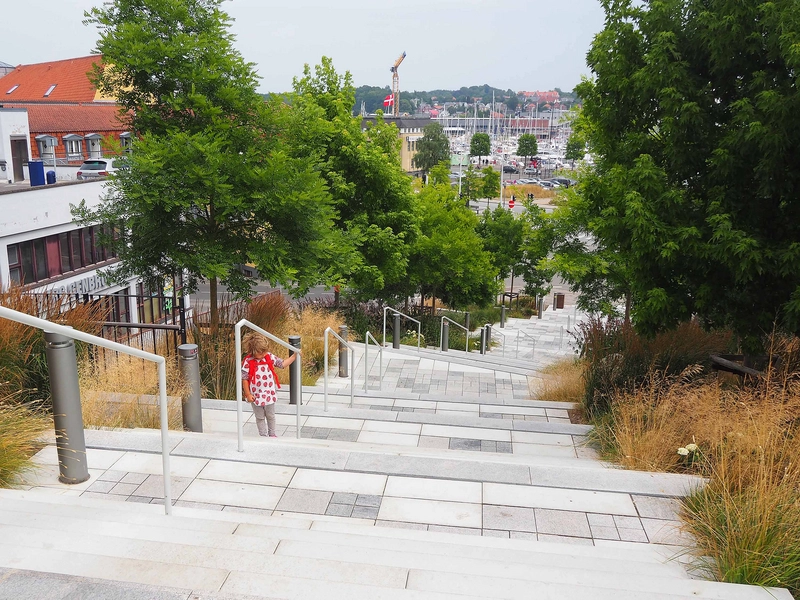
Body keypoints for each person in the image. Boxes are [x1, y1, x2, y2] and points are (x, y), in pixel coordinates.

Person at [241, 333, 296, 437]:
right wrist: (248, 394)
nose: (263, 354)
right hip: (255, 395)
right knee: (260, 417)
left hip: (269, 393)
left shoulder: (268, 356)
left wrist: (294, 357)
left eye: (264, 351)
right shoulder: (248, 362)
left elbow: (282, 364)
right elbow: (245, 379)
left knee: (270, 415)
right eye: (260, 352)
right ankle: (263, 434)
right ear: (252, 350)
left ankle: (272, 433)